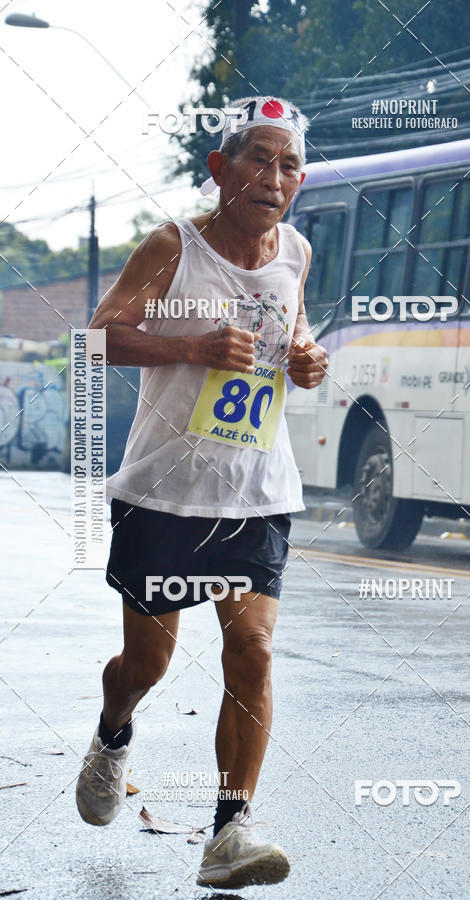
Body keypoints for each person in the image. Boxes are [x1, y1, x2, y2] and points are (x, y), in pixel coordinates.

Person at [75, 95, 328, 889]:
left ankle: (230, 834)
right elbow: (99, 337)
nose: (274, 176)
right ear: (221, 170)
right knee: (147, 663)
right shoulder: (172, 246)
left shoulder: (297, 252)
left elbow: (295, 332)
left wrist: (306, 359)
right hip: (164, 492)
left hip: (257, 489)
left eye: (289, 164)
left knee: (251, 653)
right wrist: (194, 345)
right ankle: (115, 731)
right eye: (258, 158)